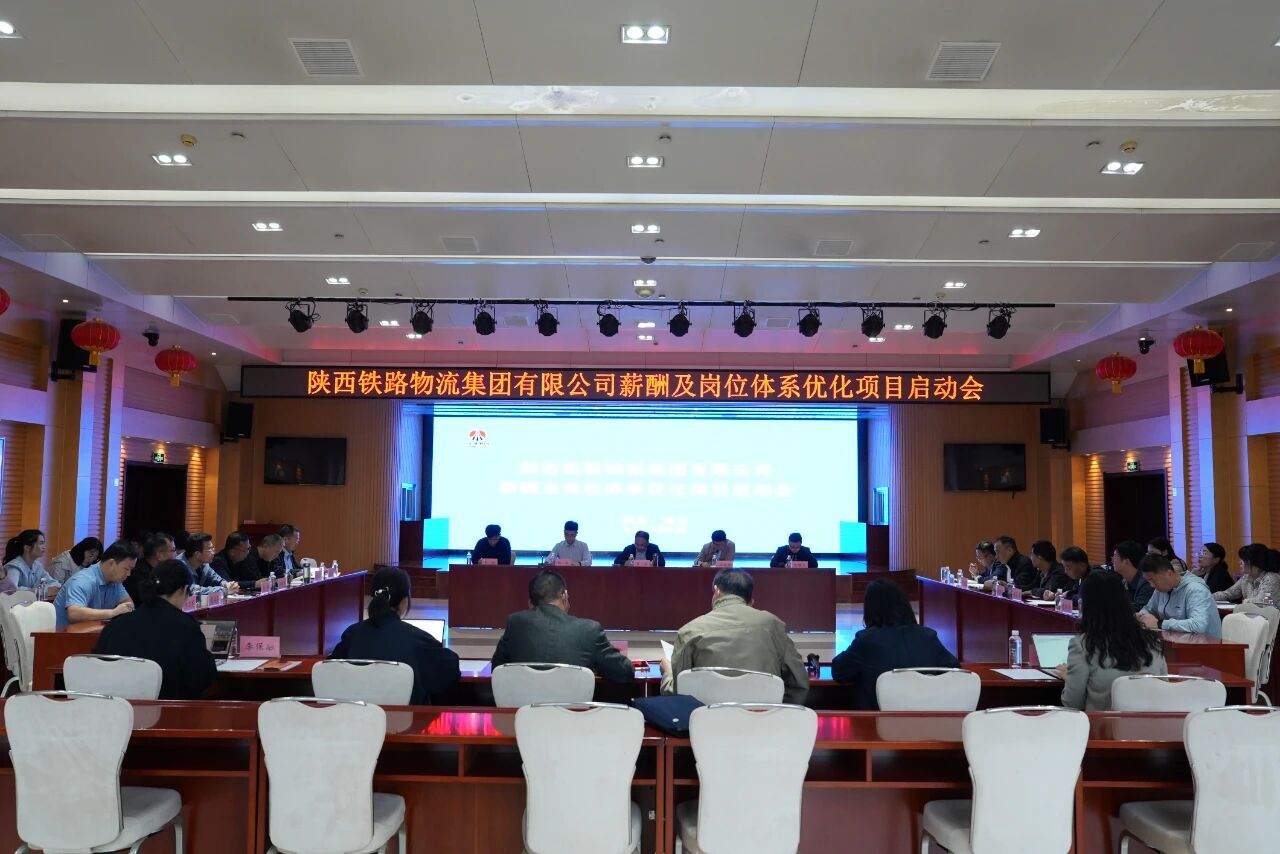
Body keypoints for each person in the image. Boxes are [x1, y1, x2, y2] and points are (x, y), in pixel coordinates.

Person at [661, 569, 809, 704]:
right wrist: (778, 712)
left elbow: (677, 694)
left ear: (717, 591)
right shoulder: (774, 625)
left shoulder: (689, 631)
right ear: (750, 601)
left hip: (708, 722)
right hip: (764, 721)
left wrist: (667, 673)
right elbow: (799, 682)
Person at [92, 558, 218, 700]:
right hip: (168, 709)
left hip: (117, 709)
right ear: (183, 589)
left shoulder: (116, 624)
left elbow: (98, 668)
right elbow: (201, 678)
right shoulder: (187, 627)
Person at [332, 566, 460, 704]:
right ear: (405, 601)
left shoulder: (352, 634)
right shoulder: (417, 639)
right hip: (407, 717)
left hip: (358, 716)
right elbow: (450, 672)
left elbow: (331, 669)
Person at [831, 579, 960, 709]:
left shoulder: (866, 640)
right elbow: (955, 669)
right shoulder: (928, 637)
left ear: (870, 610)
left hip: (875, 719)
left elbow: (838, 672)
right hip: (922, 717)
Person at [490, 570, 633, 682]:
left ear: (530, 604)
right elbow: (625, 672)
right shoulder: (589, 630)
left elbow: (497, 669)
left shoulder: (515, 622)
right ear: (564, 595)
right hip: (572, 709)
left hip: (524, 708)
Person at [1058, 570, 1167, 711]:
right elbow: (1164, 688)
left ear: (1086, 605)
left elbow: (1073, 703)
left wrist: (1069, 678)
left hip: (1102, 724)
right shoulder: (1152, 641)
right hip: (1149, 723)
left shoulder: (1083, 645)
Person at [53, 540, 136, 627]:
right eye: (126, 569)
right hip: (63, 634)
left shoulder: (115, 581)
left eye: (131, 570)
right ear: (111, 563)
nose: (129, 574)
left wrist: (125, 609)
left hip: (92, 632)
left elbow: (129, 605)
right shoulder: (84, 580)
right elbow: (74, 614)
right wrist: (113, 612)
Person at [1138, 554, 1222, 637]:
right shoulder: (1160, 590)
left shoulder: (1196, 589)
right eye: (1148, 581)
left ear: (1169, 573)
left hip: (1206, 643)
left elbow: (1198, 625)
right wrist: (1141, 616)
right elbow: (1149, 609)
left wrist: (1160, 623)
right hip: (1175, 641)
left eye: (1153, 580)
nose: (1152, 585)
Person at [1213, 543, 1280, 605]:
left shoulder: (1271, 578)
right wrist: (1209, 597)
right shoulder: (1246, 577)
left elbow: (1263, 602)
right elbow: (1228, 594)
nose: (1240, 562)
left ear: (1254, 562)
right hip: (1252, 612)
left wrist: (1243, 602)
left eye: (1243, 560)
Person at [3, 529, 59, 594]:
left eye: (44, 543)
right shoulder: (14, 566)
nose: (44, 547)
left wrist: (50, 588)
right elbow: (11, 590)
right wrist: (38, 591)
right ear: (27, 547)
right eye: (41, 543)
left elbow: (54, 583)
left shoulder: (37, 565)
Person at [126, 532, 176, 603]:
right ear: (159, 555)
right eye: (173, 550)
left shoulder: (164, 571)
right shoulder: (138, 575)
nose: (176, 554)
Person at [1112, 540, 1154, 612]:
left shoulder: (1147, 583)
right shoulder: (1124, 581)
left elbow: (1138, 609)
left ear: (1126, 562)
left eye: (1115, 556)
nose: (1112, 559)